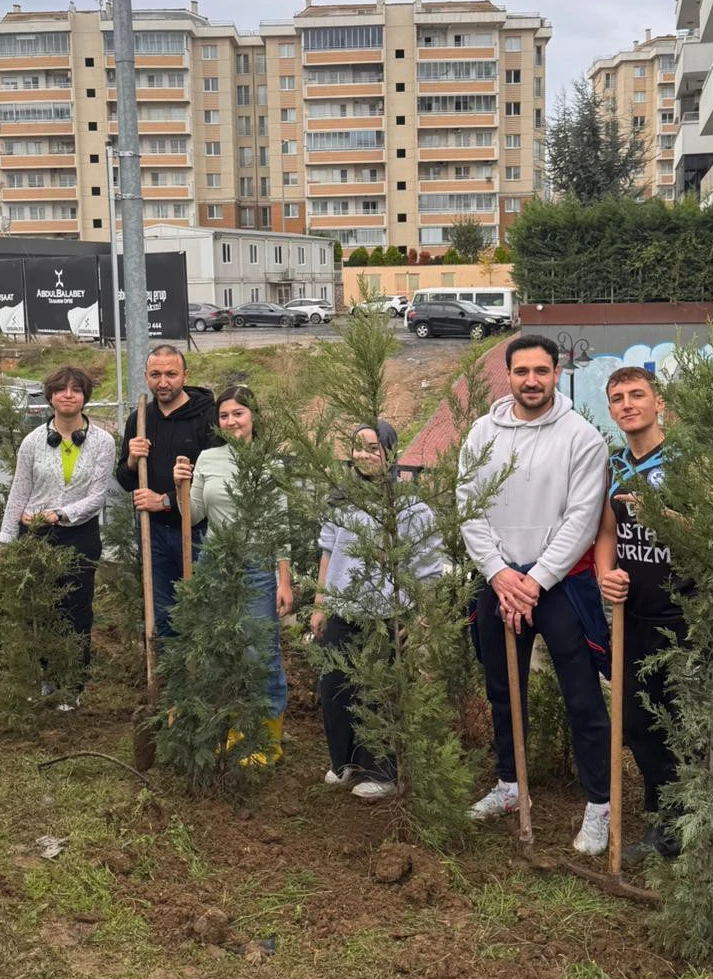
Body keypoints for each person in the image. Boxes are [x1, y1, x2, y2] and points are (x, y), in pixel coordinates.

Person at [458, 334, 612, 852]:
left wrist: (535, 579)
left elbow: (582, 519)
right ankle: (510, 783)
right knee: (503, 691)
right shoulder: (482, 434)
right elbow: (469, 505)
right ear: (507, 375)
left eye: (541, 371)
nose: (531, 381)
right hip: (500, 584)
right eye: (521, 371)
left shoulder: (582, 438)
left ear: (556, 373)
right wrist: (498, 574)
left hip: (560, 586)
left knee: (582, 697)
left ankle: (599, 804)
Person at [313, 421, 444, 802]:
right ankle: (344, 761)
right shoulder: (341, 499)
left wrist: (419, 619)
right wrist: (320, 603)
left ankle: (383, 772)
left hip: (387, 615)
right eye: (357, 447)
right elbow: (328, 551)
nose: (364, 455)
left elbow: (427, 569)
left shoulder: (411, 508)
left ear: (391, 452)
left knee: (380, 692)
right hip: (342, 609)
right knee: (334, 687)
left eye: (374, 448)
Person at [593, 365, 691, 862]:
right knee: (637, 723)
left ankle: (711, 833)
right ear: (611, 410)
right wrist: (605, 575)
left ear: (658, 403)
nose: (627, 404)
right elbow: (607, 532)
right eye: (618, 398)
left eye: (637, 394)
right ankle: (667, 824)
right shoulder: (614, 464)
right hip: (632, 619)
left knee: (689, 726)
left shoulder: (688, 461)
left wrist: (663, 518)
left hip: (684, 618)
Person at [172, 384, 293, 762]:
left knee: (260, 653)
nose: (231, 421)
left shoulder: (270, 462)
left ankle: (266, 739)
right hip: (214, 566)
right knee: (215, 650)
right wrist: (180, 485)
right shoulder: (208, 458)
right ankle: (224, 727)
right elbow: (192, 515)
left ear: (253, 416)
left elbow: (279, 524)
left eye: (238, 413)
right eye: (224, 415)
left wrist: (284, 580)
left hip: (257, 567)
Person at [0, 365, 117, 707]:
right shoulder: (33, 442)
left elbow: (97, 497)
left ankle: (72, 686)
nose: (68, 395)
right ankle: (46, 678)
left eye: (76, 390)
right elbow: (19, 492)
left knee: (76, 612)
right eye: (61, 389)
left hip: (79, 536)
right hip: (35, 536)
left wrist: (60, 513)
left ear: (84, 397)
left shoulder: (103, 442)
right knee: (40, 609)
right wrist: (6, 540)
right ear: (50, 396)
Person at [116, 343, 216, 640]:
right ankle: (170, 668)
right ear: (146, 376)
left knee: (204, 609)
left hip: (198, 531)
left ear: (185, 375)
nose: (163, 382)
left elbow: (214, 481)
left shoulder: (208, 417)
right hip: (154, 532)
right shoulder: (139, 420)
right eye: (155, 374)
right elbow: (125, 481)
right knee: (163, 613)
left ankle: (201, 668)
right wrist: (132, 460)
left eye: (171, 374)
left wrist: (165, 501)